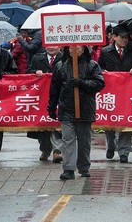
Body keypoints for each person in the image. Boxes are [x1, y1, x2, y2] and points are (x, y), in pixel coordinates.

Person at [47, 46, 105, 180]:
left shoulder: (92, 65)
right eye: (72, 47)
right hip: (66, 109)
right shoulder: (60, 66)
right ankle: (68, 169)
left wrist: (83, 83)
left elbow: (100, 83)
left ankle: (84, 167)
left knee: (84, 141)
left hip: (85, 109)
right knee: (67, 140)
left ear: (84, 49)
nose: (75, 49)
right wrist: (51, 107)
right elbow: (54, 89)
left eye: (79, 47)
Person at [98, 25, 132, 163]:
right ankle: (111, 145)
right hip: (111, 92)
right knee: (110, 120)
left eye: (126, 38)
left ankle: (124, 152)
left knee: (126, 120)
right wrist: (104, 72)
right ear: (114, 37)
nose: (125, 40)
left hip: (127, 92)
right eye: (122, 37)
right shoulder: (106, 51)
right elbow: (99, 68)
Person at [27, 46, 63, 163]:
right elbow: (28, 72)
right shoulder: (37, 58)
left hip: (58, 96)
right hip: (41, 98)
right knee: (42, 126)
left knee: (56, 125)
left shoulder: (65, 58)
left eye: (55, 45)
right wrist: (34, 72)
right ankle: (45, 149)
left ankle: (57, 151)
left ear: (60, 46)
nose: (51, 47)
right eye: (49, 45)